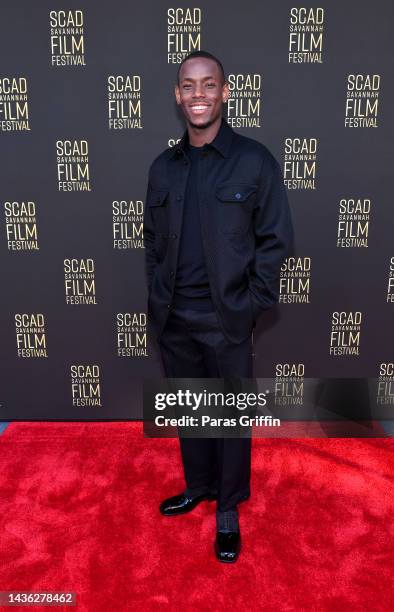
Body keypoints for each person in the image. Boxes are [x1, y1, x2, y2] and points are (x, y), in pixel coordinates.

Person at [143, 50, 294, 562]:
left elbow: (275, 240)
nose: (199, 94)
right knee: (191, 411)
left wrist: (250, 303)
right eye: (189, 85)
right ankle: (200, 486)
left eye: (209, 84)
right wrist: (157, 297)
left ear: (225, 92)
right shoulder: (163, 168)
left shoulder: (254, 161)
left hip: (227, 318)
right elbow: (151, 243)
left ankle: (227, 508)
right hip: (174, 319)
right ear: (177, 95)